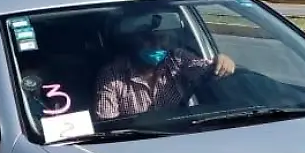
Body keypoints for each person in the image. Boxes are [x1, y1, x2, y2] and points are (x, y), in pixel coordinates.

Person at [93, 17, 235, 121]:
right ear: (132, 40)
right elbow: (108, 122)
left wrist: (221, 62)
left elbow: (206, 69)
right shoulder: (113, 75)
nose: (156, 44)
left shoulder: (176, 59)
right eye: (147, 38)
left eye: (162, 37)